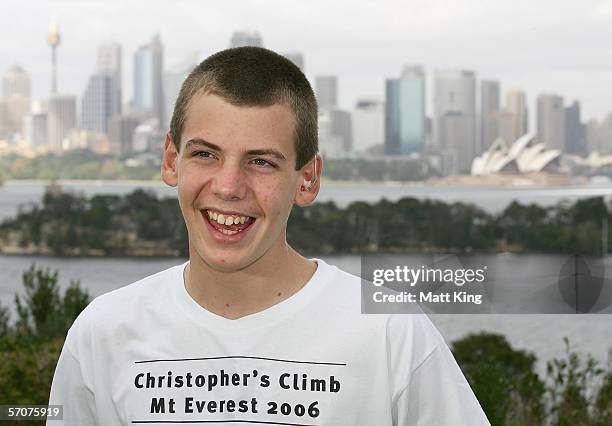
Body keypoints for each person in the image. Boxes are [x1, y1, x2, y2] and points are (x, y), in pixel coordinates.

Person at [48, 47, 489, 425]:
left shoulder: (391, 333)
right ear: (171, 161)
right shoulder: (102, 333)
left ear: (307, 179)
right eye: (205, 154)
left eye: (261, 162)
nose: (227, 186)